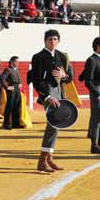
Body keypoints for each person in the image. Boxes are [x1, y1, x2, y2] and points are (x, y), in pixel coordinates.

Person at [31, 29, 74, 172]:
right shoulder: (38, 57)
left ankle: (48, 158)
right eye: (50, 39)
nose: (53, 41)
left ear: (59, 41)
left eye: (55, 39)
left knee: (57, 125)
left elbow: (69, 78)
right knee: (53, 124)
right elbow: (36, 81)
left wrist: (64, 75)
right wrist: (47, 97)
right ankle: (42, 160)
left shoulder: (62, 56)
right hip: (48, 94)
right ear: (45, 41)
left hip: (60, 93)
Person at [1, 56, 22, 129]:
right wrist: (7, 87)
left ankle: (15, 124)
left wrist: (20, 83)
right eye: (17, 61)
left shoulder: (17, 70)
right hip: (11, 89)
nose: (18, 63)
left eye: (18, 62)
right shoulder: (8, 70)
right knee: (9, 106)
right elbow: (2, 79)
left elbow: (18, 79)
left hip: (17, 89)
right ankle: (6, 124)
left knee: (17, 106)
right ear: (12, 62)